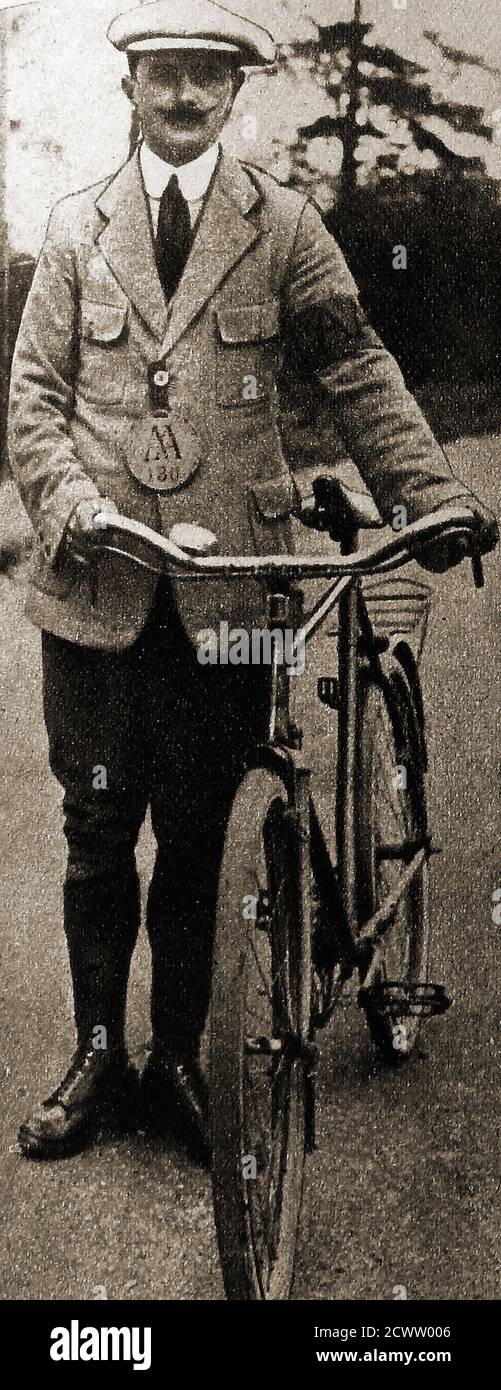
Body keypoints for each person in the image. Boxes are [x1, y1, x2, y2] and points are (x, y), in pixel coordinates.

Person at [7, 0, 497, 1163]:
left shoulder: (282, 227)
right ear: (129, 87)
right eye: (164, 75)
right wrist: (87, 513)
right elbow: (33, 403)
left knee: (197, 830)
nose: (184, 97)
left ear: (238, 94)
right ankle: (94, 1052)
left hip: (237, 597)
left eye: (207, 79)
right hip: (99, 584)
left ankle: (182, 1056)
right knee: (94, 826)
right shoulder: (76, 230)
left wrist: (429, 494)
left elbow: (356, 362)